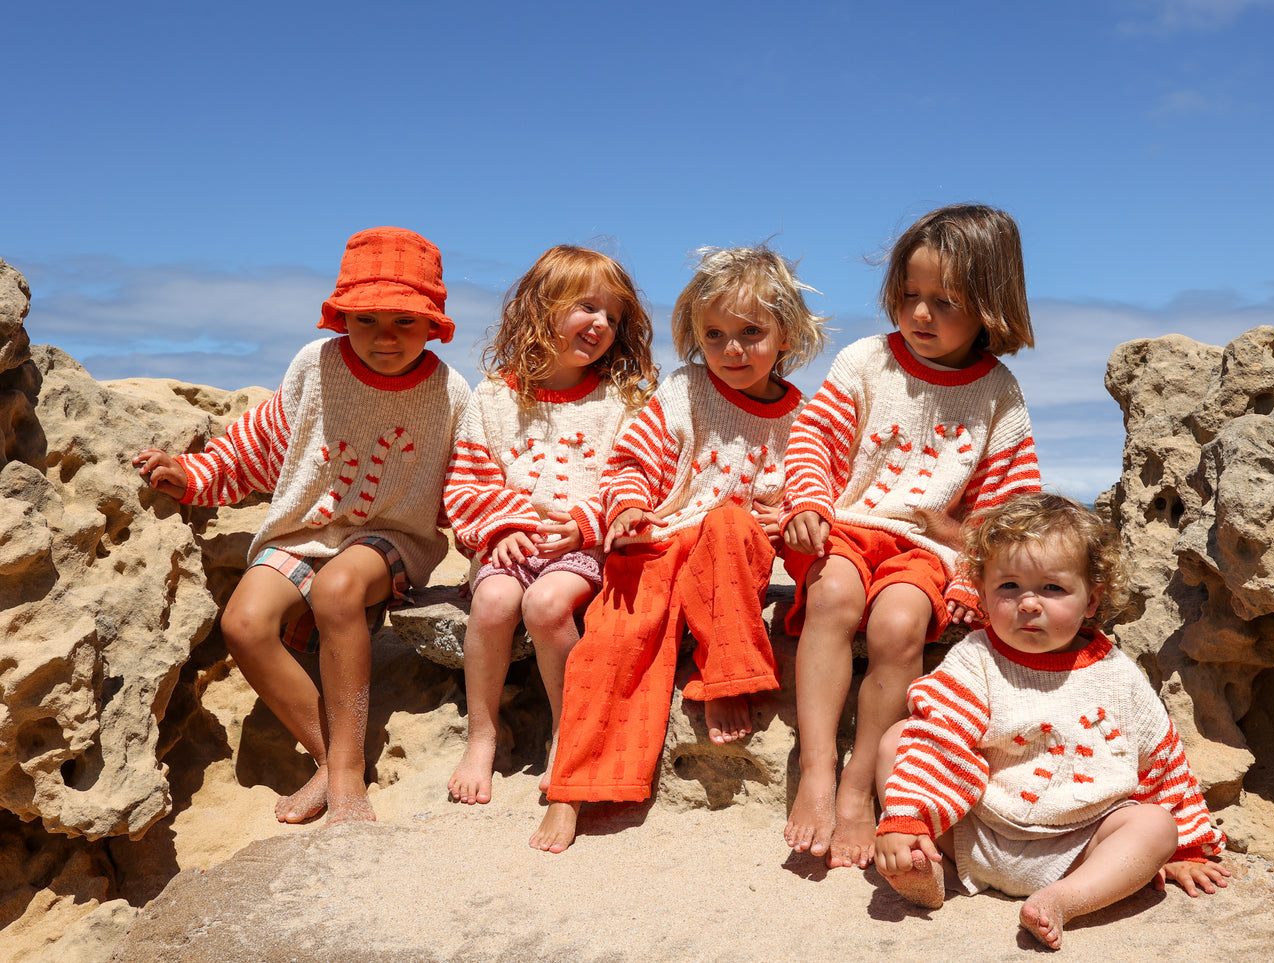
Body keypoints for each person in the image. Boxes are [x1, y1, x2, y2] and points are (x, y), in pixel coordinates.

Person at [133, 227, 472, 824]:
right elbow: (263, 442)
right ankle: (332, 756)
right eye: (366, 320)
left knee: (339, 588)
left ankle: (345, 781)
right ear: (342, 318)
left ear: (434, 324)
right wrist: (193, 477)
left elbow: (466, 484)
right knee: (243, 622)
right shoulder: (314, 366)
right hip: (303, 530)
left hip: (392, 537)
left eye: (404, 322)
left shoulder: (451, 392)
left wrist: (495, 547)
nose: (384, 338)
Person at [531, 245, 827, 853]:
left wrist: (795, 511)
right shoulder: (686, 389)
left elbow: (810, 483)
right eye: (714, 335)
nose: (732, 350)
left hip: (730, 550)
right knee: (612, 640)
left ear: (788, 335)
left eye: (751, 333)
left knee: (728, 523)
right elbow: (634, 461)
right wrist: (632, 506)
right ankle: (572, 790)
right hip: (662, 541)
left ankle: (726, 679)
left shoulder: (803, 416)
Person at [782, 204, 1042, 868]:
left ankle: (858, 784)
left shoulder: (997, 395)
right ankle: (815, 767)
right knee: (833, 597)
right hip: (847, 525)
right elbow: (814, 438)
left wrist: (968, 578)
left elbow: (1004, 508)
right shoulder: (866, 360)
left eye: (943, 301)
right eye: (907, 296)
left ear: (990, 305)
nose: (919, 314)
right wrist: (808, 499)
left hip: (925, 548)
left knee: (898, 626)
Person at [874, 492, 1229, 949]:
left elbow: (1159, 759)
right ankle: (927, 866)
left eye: (1052, 588)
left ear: (1091, 600)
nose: (1027, 603)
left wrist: (1186, 847)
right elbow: (939, 739)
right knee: (900, 738)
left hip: (1078, 847)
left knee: (1156, 825)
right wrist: (908, 819)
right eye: (1008, 587)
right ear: (982, 592)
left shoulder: (1116, 672)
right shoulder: (975, 658)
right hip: (975, 831)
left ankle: (1063, 899)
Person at [443, 245, 656, 805]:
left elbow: (636, 481)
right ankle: (482, 734)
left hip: (582, 549)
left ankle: (568, 732)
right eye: (588, 307)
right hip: (507, 545)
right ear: (541, 307)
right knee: (492, 604)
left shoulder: (624, 401)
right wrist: (499, 528)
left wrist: (585, 526)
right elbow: (465, 483)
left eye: (614, 316)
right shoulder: (493, 398)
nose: (602, 324)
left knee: (546, 605)